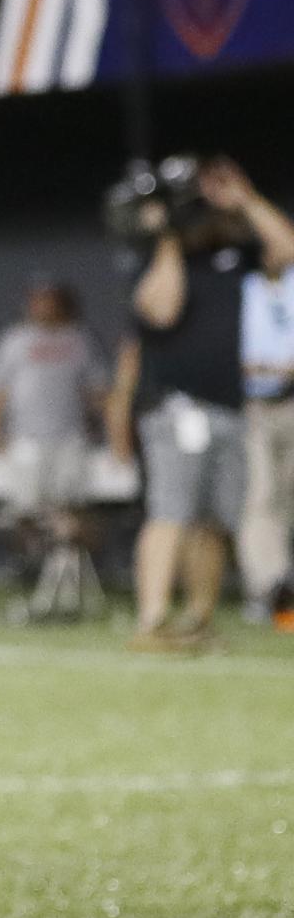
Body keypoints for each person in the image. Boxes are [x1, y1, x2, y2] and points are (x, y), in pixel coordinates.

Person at [113, 158, 294, 651]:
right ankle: (151, 620)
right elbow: (163, 308)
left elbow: (287, 249)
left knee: (214, 520)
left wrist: (246, 199)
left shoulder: (235, 256)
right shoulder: (149, 259)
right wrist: (168, 236)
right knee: (170, 511)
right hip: (176, 407)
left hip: (230, 405)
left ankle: (198, 618)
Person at [0, 279, 109, 605]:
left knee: (70, 509)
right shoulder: (15, 340)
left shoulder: (79, 340)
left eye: (47, 300)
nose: (40, 307)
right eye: (36, 300)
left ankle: (72, 576)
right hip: (26, 438)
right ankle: (31, 567)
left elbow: (97, 392)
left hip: (69, 438)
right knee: (23, 510)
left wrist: (110, 428)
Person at [235, 254, 294, 628]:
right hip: (252, 403)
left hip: (292, 400)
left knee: (285, 500)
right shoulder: (242, 286)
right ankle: (269, 590)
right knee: (259, 497)